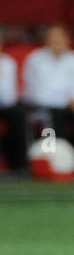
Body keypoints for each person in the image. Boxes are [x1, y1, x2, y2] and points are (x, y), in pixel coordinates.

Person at [22, 23, 74, 165]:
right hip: (44, 106)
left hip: (70, 106)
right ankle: (58, 161)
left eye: (60, 38)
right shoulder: (35, 60)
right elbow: (34, 92)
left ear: (68, 40)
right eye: (53, 38)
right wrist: (66, 100)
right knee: (55, 114)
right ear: (46, 41)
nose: (57, 42)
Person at [0, 35, 24, 173]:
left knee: (18, 114)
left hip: (5, 104)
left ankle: (18, 165)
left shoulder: (8, 63)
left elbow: (9, 96)